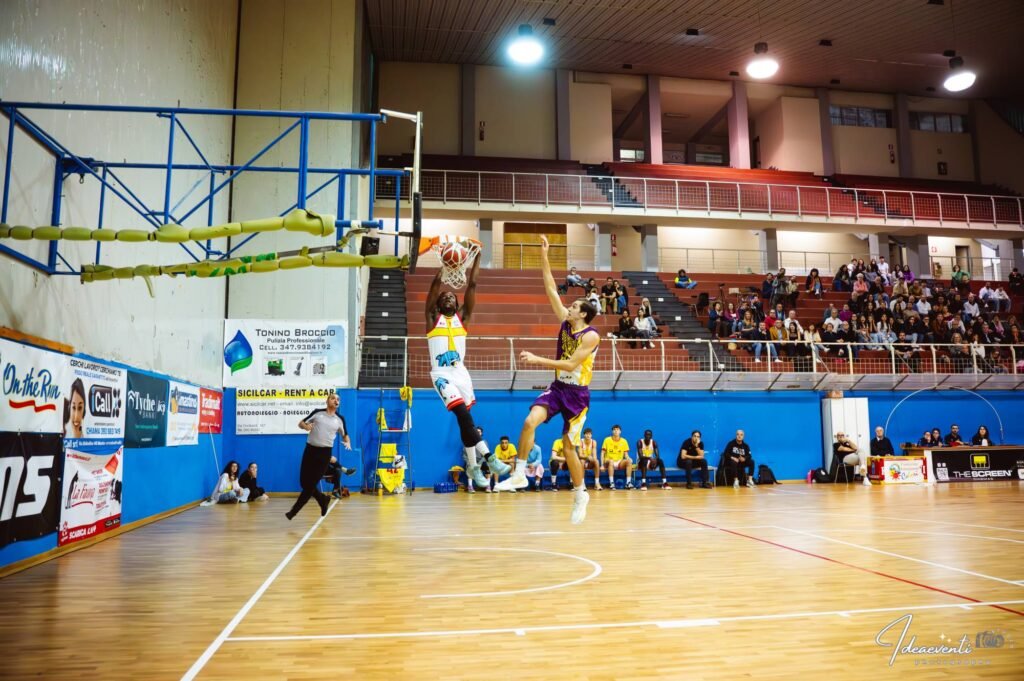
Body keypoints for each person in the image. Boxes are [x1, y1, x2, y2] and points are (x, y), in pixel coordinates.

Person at [495, 236, 599, 526]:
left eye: (575, 306)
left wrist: (538, 360)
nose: (569, 307)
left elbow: (570, 363)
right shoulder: (566, 323)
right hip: (558, 389)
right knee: (529, 422)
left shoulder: (591, 335)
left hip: (577, 396)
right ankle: (518, 473)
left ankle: (581, 494)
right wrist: (544, 255)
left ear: (584, 314)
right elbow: (550, 287)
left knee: (569, 448)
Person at [425, 252, 509, 491]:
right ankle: (489, 458)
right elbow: (433, 288)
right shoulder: (432, 319)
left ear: (458, 304)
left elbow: (472, 283)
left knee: (466, 423)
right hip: (441, 374)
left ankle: (473, 466)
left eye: (453, 296)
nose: (449, 298)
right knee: (463, 416)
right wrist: (445, 265)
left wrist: (478, 257)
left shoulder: (463, 319)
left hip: (461, 373)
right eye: (445, 297)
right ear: (439, 305)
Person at [286, 393, 350, 520]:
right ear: (327, 401)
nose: (336, 400)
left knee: (311, 484)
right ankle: (322, 499)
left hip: (324, 454)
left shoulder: (340, 419)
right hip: (310, 450)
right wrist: (306, 426)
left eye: (338, 399)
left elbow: (345, 435)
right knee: (304, 482)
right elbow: (301, 423)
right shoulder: (318, 413)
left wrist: (348, 441)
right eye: (333, 398)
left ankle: (293, 511)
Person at [601, 425, 634, 490]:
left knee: (629, 462)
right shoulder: (607, 440)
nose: (616, 431)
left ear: (620, 432)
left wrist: (629, 458)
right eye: (614, 429)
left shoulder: (624, 441)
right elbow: (602, 453)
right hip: (608, 461)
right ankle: (612, 483)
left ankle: (628, 483)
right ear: (612, 431)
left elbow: (626, 454)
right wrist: (602, 465)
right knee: (611, 461)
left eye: (618, 429)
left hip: (619, 462)